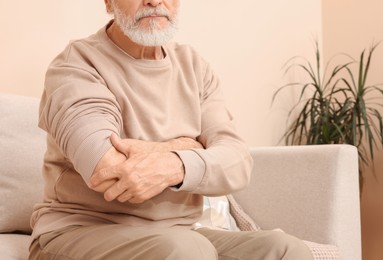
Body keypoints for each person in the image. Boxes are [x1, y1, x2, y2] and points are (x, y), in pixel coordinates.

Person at [29, 0, 314, 259]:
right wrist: (195, 146)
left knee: (286, 250)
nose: (154, 1)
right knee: (189, 250)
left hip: (178, 235)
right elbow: (109, 171)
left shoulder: (193, 66)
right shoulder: (76, 64)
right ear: (108, 2)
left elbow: (238, 163)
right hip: (79, 232)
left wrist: (172, 161)